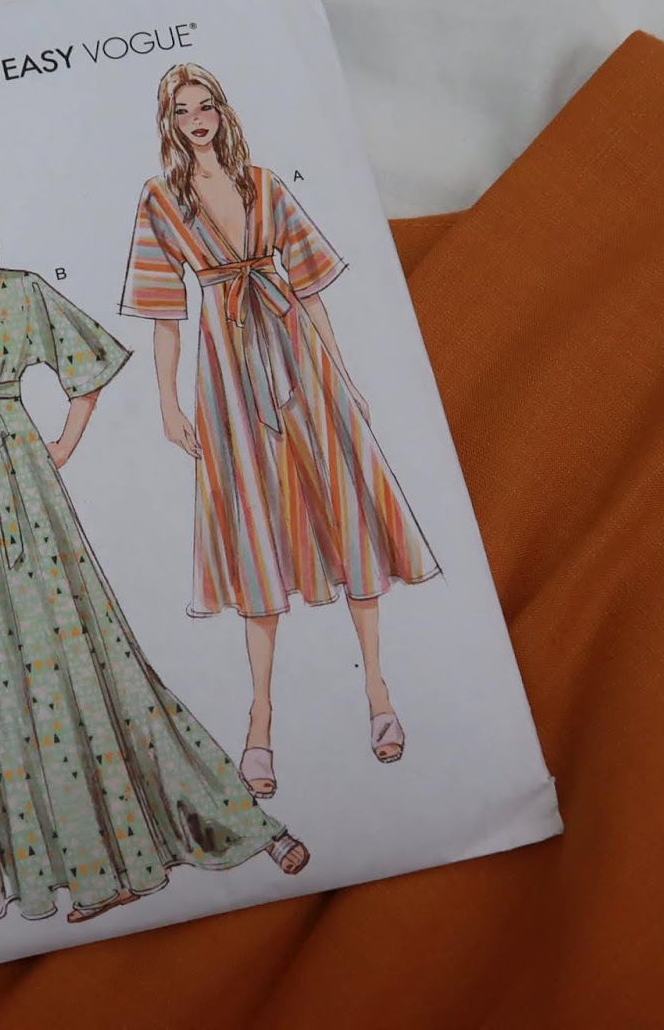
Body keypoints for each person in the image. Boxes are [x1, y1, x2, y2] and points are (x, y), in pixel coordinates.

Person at [0, 175, 308, 925]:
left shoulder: (24, 291)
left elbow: (89, 373)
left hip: (25, 479)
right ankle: (80, 867)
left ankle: (178, 837)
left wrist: (61, 446)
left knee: (81, 651)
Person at [120, 65, 439, 799]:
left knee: (345, 509)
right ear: (169, 122)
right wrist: (167, 403)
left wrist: (344, 377)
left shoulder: (264, 185)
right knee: (254, 527)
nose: (197, 119)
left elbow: (310, 292)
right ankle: (259, 724)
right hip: (228, 374)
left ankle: (378, 694)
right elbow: (164, 317)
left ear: (222, 112)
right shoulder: (161, 198)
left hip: (301, 359)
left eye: (206, 105)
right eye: (182, 110)